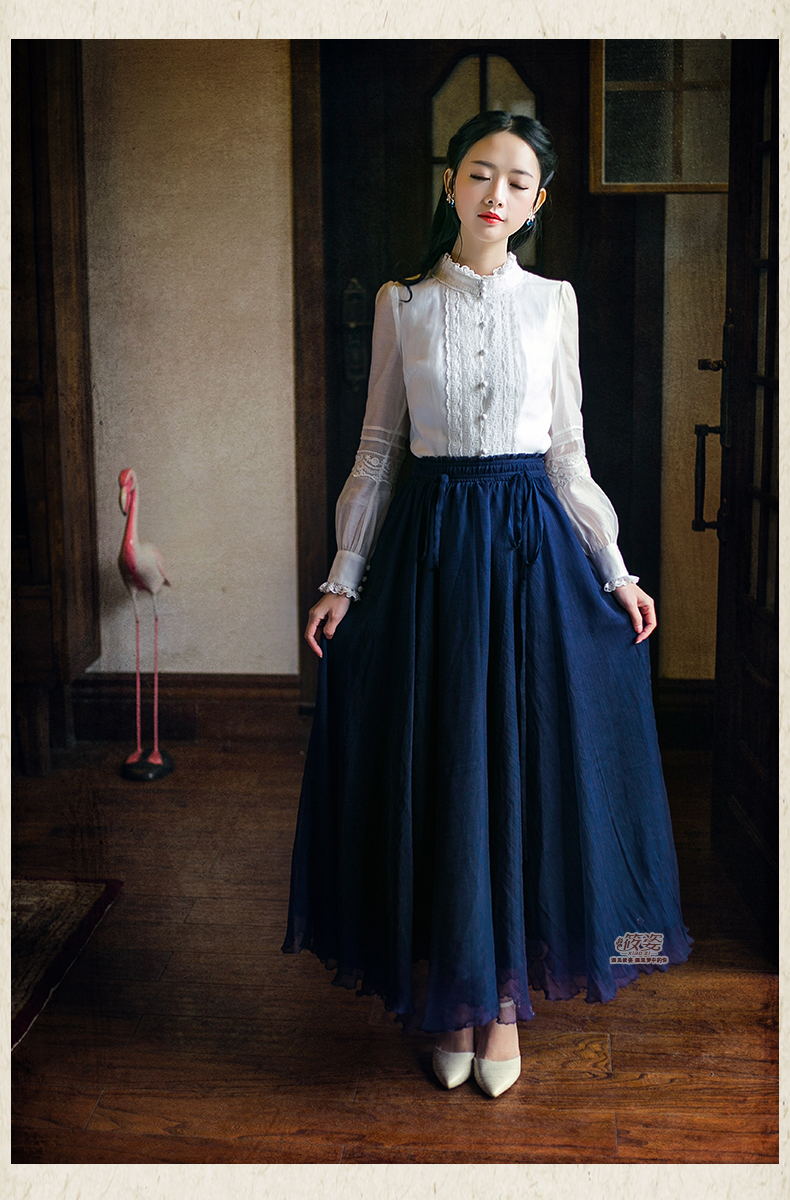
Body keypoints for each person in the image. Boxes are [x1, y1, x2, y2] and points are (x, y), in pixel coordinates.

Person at [282, 110, 692, 1098]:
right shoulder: (403, 303)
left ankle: (503, 1006)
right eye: (478, 173)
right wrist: (343, 576)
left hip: (528, 550)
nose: (494, 194)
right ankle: (456, 1000)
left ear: (537, 201)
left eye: (515, 181)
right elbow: (378, 449)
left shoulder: (554, 302)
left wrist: (616, 568)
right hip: (430, 553)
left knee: (520, 767)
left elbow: (568, 452)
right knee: (447, 768)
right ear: (451, 183)